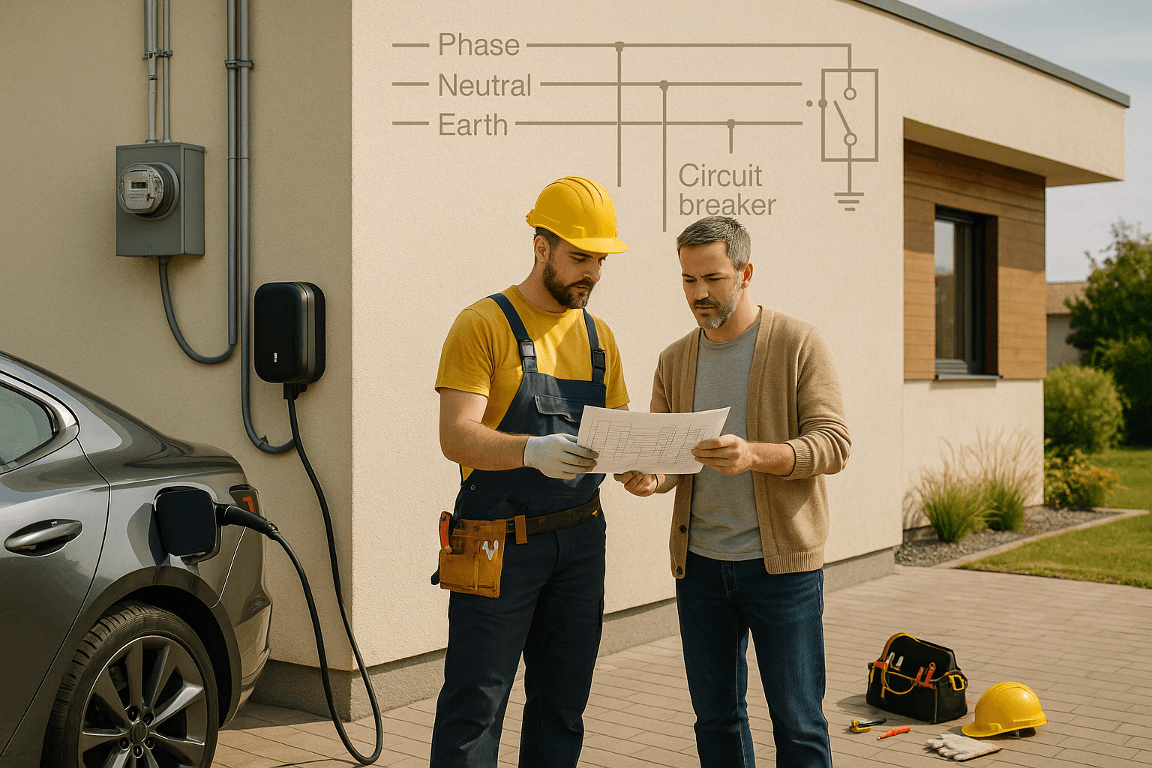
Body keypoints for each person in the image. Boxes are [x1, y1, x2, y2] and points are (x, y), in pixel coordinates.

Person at [615, 215, 850, 768]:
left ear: (746, 273)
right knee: (715, 717)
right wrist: (649, 479)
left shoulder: (798, 342)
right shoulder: (675, 359)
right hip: (698, 569)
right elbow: (671, 462)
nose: (698, 293)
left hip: (782, 570)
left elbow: (833, 445)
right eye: (688, 280)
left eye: (712, 278)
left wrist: (755, 455)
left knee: (798, 721)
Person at [430, 176, 631, 768]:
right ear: (540, 246)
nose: (590, 273)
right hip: (493, 537)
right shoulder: (482, 324)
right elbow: (455, 435)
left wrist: (640, 471)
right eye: (578, 258)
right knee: (475, 705)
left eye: (599, 259)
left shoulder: (601, 338)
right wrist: (530, 451)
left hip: (580, 540)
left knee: (563, 706)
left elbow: (615, 434)